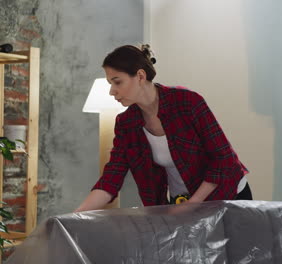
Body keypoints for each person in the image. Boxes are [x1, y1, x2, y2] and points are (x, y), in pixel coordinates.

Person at [75, 45, 251, 212]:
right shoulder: (126, 123)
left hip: (227, 195)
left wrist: (193, 204)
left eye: (117, 82)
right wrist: (76, 214)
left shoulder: (187, 102)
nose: (112, 91)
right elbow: (111, 178)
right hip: (181, 202)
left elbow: (223, 160)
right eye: (110, 84)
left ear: (141, 76)